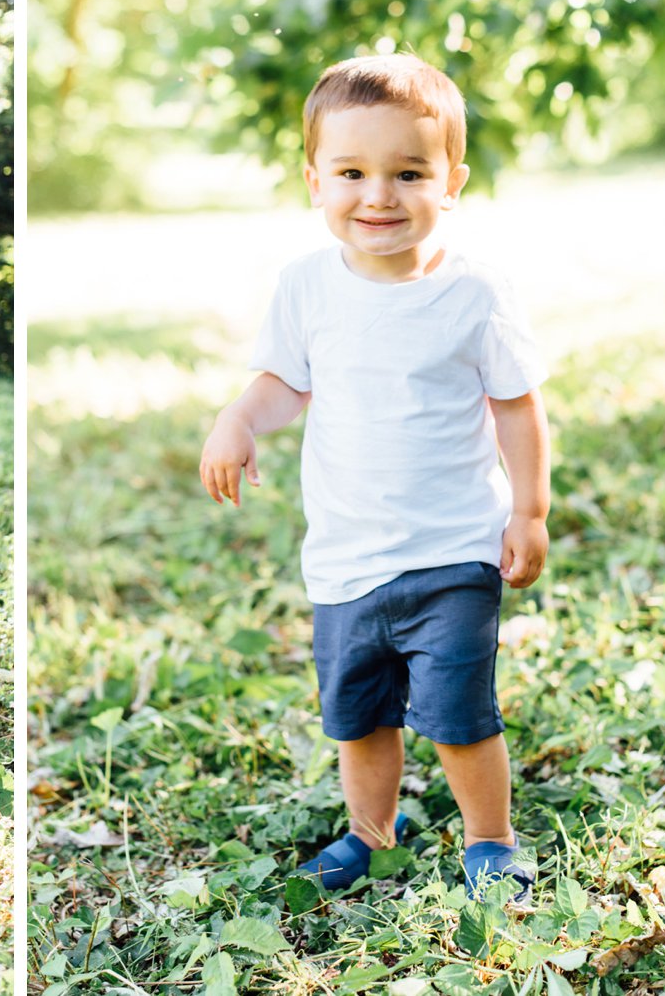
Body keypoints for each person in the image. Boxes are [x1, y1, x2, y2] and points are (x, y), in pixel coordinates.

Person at [199, 53, 550, 903]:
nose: (379, 196)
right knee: (361, 718)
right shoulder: (308, 286)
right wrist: (239, 419)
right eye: (352, 172)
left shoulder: (474, 295)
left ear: (451, 181)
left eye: (409, 172)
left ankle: (490, 839)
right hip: (347, 561)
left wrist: (530, 513)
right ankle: (369, 832)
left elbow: (516, 406)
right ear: (315, 180)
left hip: (454, 551)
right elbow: (286, 381)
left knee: (462, 717)